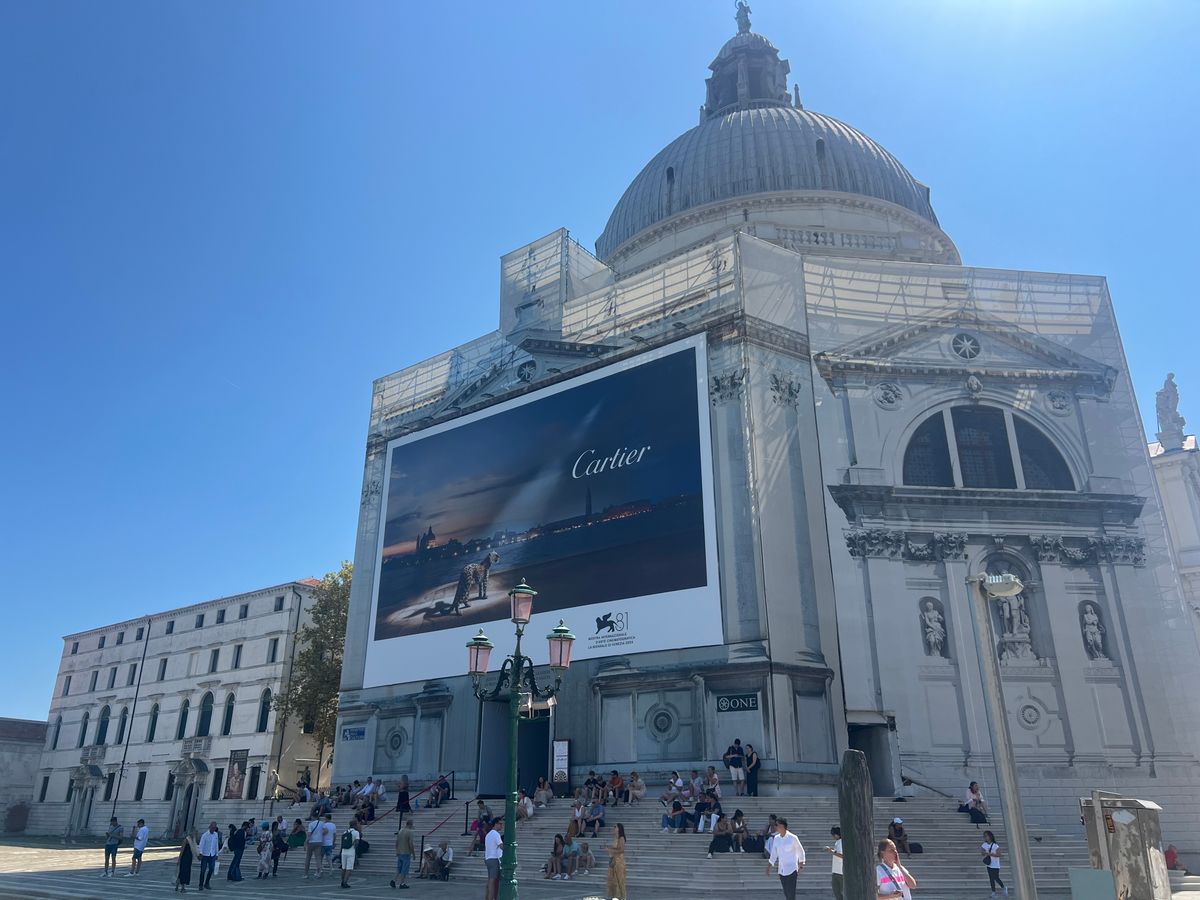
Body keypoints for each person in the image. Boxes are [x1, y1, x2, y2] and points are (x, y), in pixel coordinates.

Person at [767, 816, 806, 900]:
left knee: (791, 893)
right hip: (782, 870)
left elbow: (800, 851)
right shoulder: (776, 838)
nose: (775, 827)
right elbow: (774, 853)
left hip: (792, 869)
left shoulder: (793, 837)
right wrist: (769, 866)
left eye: (776, 825)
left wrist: (801, 865)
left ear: (782, 826)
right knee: (786, 892)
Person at [981, 830, 1008, 897]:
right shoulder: (984, 845)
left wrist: (990, 854)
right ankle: (993, 892)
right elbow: (982, 853)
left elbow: (999, 854)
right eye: (984, 836)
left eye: (986, 836)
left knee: (996, 878)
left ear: (990, 836)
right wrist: (984, 853)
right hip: (989, 864)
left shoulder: (995, 845)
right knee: (991, 878)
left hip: (995, 865)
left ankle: (1003, 887)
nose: (985, 837)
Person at [391, 818, 414, 889]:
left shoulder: (400, 830)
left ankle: (394, 880)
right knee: (404, 868)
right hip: (406, 852)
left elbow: (397, 842)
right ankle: (402, 883)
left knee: (399, 868)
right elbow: (410, 843)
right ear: (410, 825)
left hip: (400, 852)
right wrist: (413, 853)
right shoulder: (410, 832)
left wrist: (397, 851)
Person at [197, 821, 220, 890]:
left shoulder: (216, 835)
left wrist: (217, 853)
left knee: (211, 869)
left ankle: (207, 883)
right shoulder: (205, 835)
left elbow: (216, 845)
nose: (213, 829)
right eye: (212, 827)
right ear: (209, 827)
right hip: (205, 855)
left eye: (214, 828)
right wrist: (200, 853)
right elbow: (201, 844)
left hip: (212, 854)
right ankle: (201, 884)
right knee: (203, 870)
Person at [484, 819, 504, 900]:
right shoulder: (496, 834)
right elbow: (501, 846)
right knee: (492, 881)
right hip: (494, 859)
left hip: (488, 858)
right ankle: (491, 898)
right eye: (500, 824)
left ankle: (489, 897)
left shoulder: (488, 834)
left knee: (490, 880)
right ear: (496, 824)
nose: (502, 826)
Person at [607, 823, 627, 900]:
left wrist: (611, 850)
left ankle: (622, 897)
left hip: (619, 861)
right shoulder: (615, 838)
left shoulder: (621, 838)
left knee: (620, 880)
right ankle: (615, 896)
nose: (614, 828)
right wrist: (610, 850)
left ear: (619, 828)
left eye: (615, 827)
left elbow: (622, 850)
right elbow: (615, 848)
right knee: (613, 879)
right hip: (614, 860)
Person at [340, 820, 361, 889]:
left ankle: (342, 881)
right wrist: (354, 846)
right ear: (355, 825)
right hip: (351, 851)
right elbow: (357, 842)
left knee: (343, 867)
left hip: (344, 851)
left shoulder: (345, 832)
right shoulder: (356, 832)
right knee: (349, 868)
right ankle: (345, 882)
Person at [303, 814, 324, 878]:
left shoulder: (311, 824)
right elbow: (326, 830)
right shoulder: (322, 823)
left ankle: (306, 874)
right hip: (319, 841)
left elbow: (309, 834)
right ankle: (319, 872)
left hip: (312, 842)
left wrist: (305, 842)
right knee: (318, 858)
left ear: (313, 817)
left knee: (308, 858)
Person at [826, 826, 844, 900]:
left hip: (840, 872)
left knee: (839, 891)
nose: (832, 837)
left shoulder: (841, 842)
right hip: (836, 871)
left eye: (833, 835)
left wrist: (832, 852)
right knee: (836, 891)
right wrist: (832, 850)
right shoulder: (838, 842)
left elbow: (842, 855)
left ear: (836, 835)